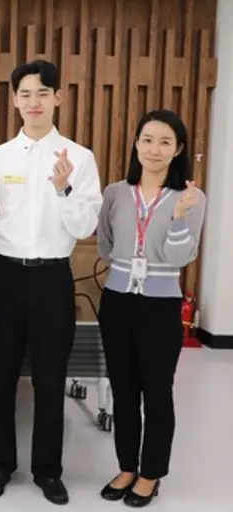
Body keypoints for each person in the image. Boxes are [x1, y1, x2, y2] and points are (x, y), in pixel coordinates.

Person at [0, 59, 103, 505]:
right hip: (5, 277)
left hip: (52, 279)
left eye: (43, 93)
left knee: (50, 380)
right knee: (0, 378)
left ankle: (48, 470)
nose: (34, 102)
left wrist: (64, 189)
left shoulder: (79, 158)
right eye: (25, 94)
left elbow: (84, 225)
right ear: (14, 100)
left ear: (58, 98)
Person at [95, 109, 205, 507]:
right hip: (117, 302)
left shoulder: (190, 198)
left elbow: (181, 256)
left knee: (157, 393)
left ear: (178, 150)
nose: (154, 149)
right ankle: (127, 466)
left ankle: (151, 472)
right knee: (123, 391)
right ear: (136, 144)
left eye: (164, 142)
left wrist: (177, 219)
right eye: (147, 140)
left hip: (161, 306)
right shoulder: (115, 193)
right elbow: (105, 245)